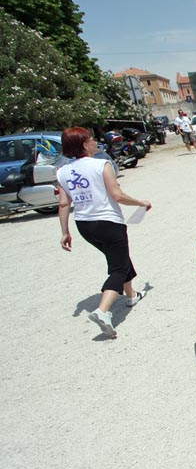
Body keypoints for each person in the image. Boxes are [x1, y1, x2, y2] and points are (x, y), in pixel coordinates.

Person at [56, 127, 152, 338]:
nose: (95, 143)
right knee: (118, 267)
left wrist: (65, 231)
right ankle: (103, 310)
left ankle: (131, 295)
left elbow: (64, 204)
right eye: (91, 139)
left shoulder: (62, 171)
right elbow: (117, 195)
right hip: (108, 221)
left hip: (85, 225)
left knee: (119, 258)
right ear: (84, 144)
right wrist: (140, 202)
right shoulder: (101, 164)